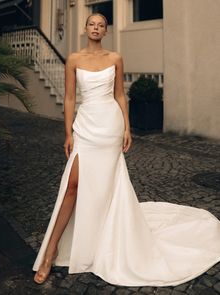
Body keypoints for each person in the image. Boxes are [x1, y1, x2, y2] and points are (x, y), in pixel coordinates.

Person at [33, 13, 220, 286]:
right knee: (73, 185)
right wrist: (68, 133)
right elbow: (70, 97)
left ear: (105, 31)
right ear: (85, 29)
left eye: (101, 25)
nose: (96, 28)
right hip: (85, 128)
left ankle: (104, 239)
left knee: (106, 187)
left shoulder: (115, 58)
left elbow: (120, 94)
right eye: (92, 24)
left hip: (110, 125)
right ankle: (50, 253)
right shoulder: (74, 58)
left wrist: (127, 127)